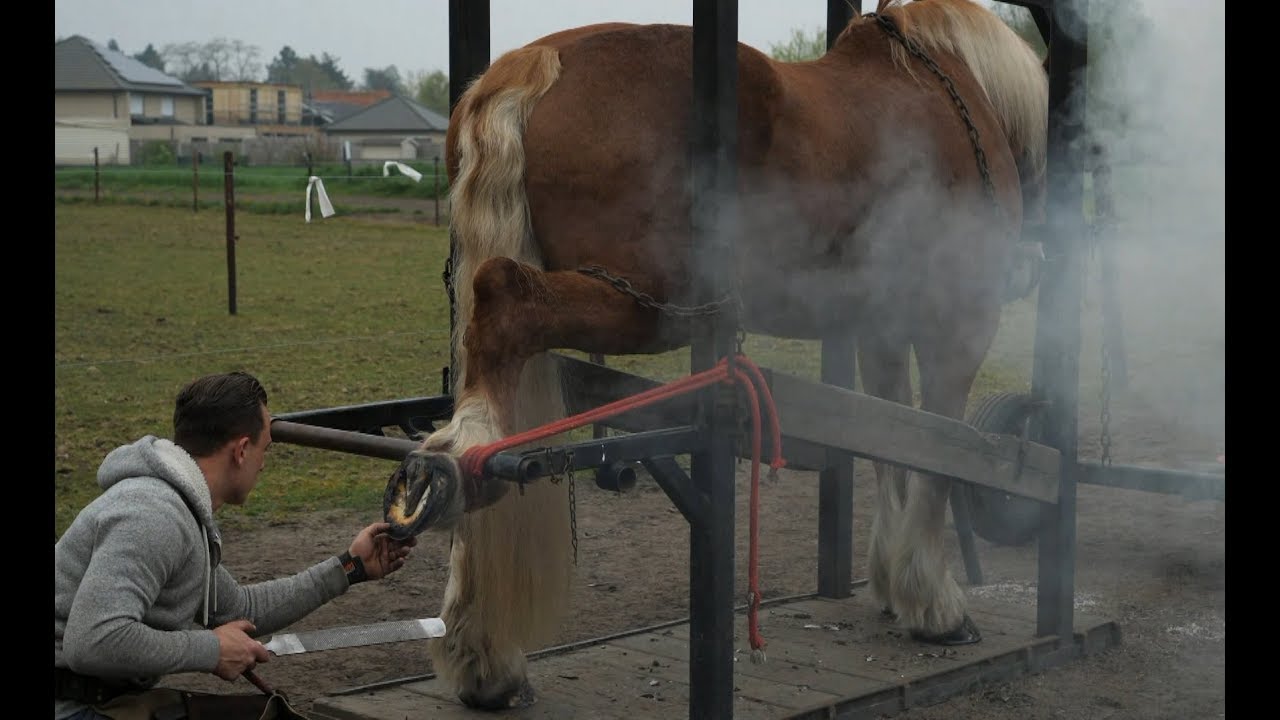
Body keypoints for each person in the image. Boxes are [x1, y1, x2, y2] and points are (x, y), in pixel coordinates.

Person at [54, 371, 417, 720]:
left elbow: (240, 609)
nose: (262, 464)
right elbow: (93, 641)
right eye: (265, 449)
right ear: (242, 450)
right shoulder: (153, 516)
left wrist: (350, 567)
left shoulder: (180, 512)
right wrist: (211, 650)